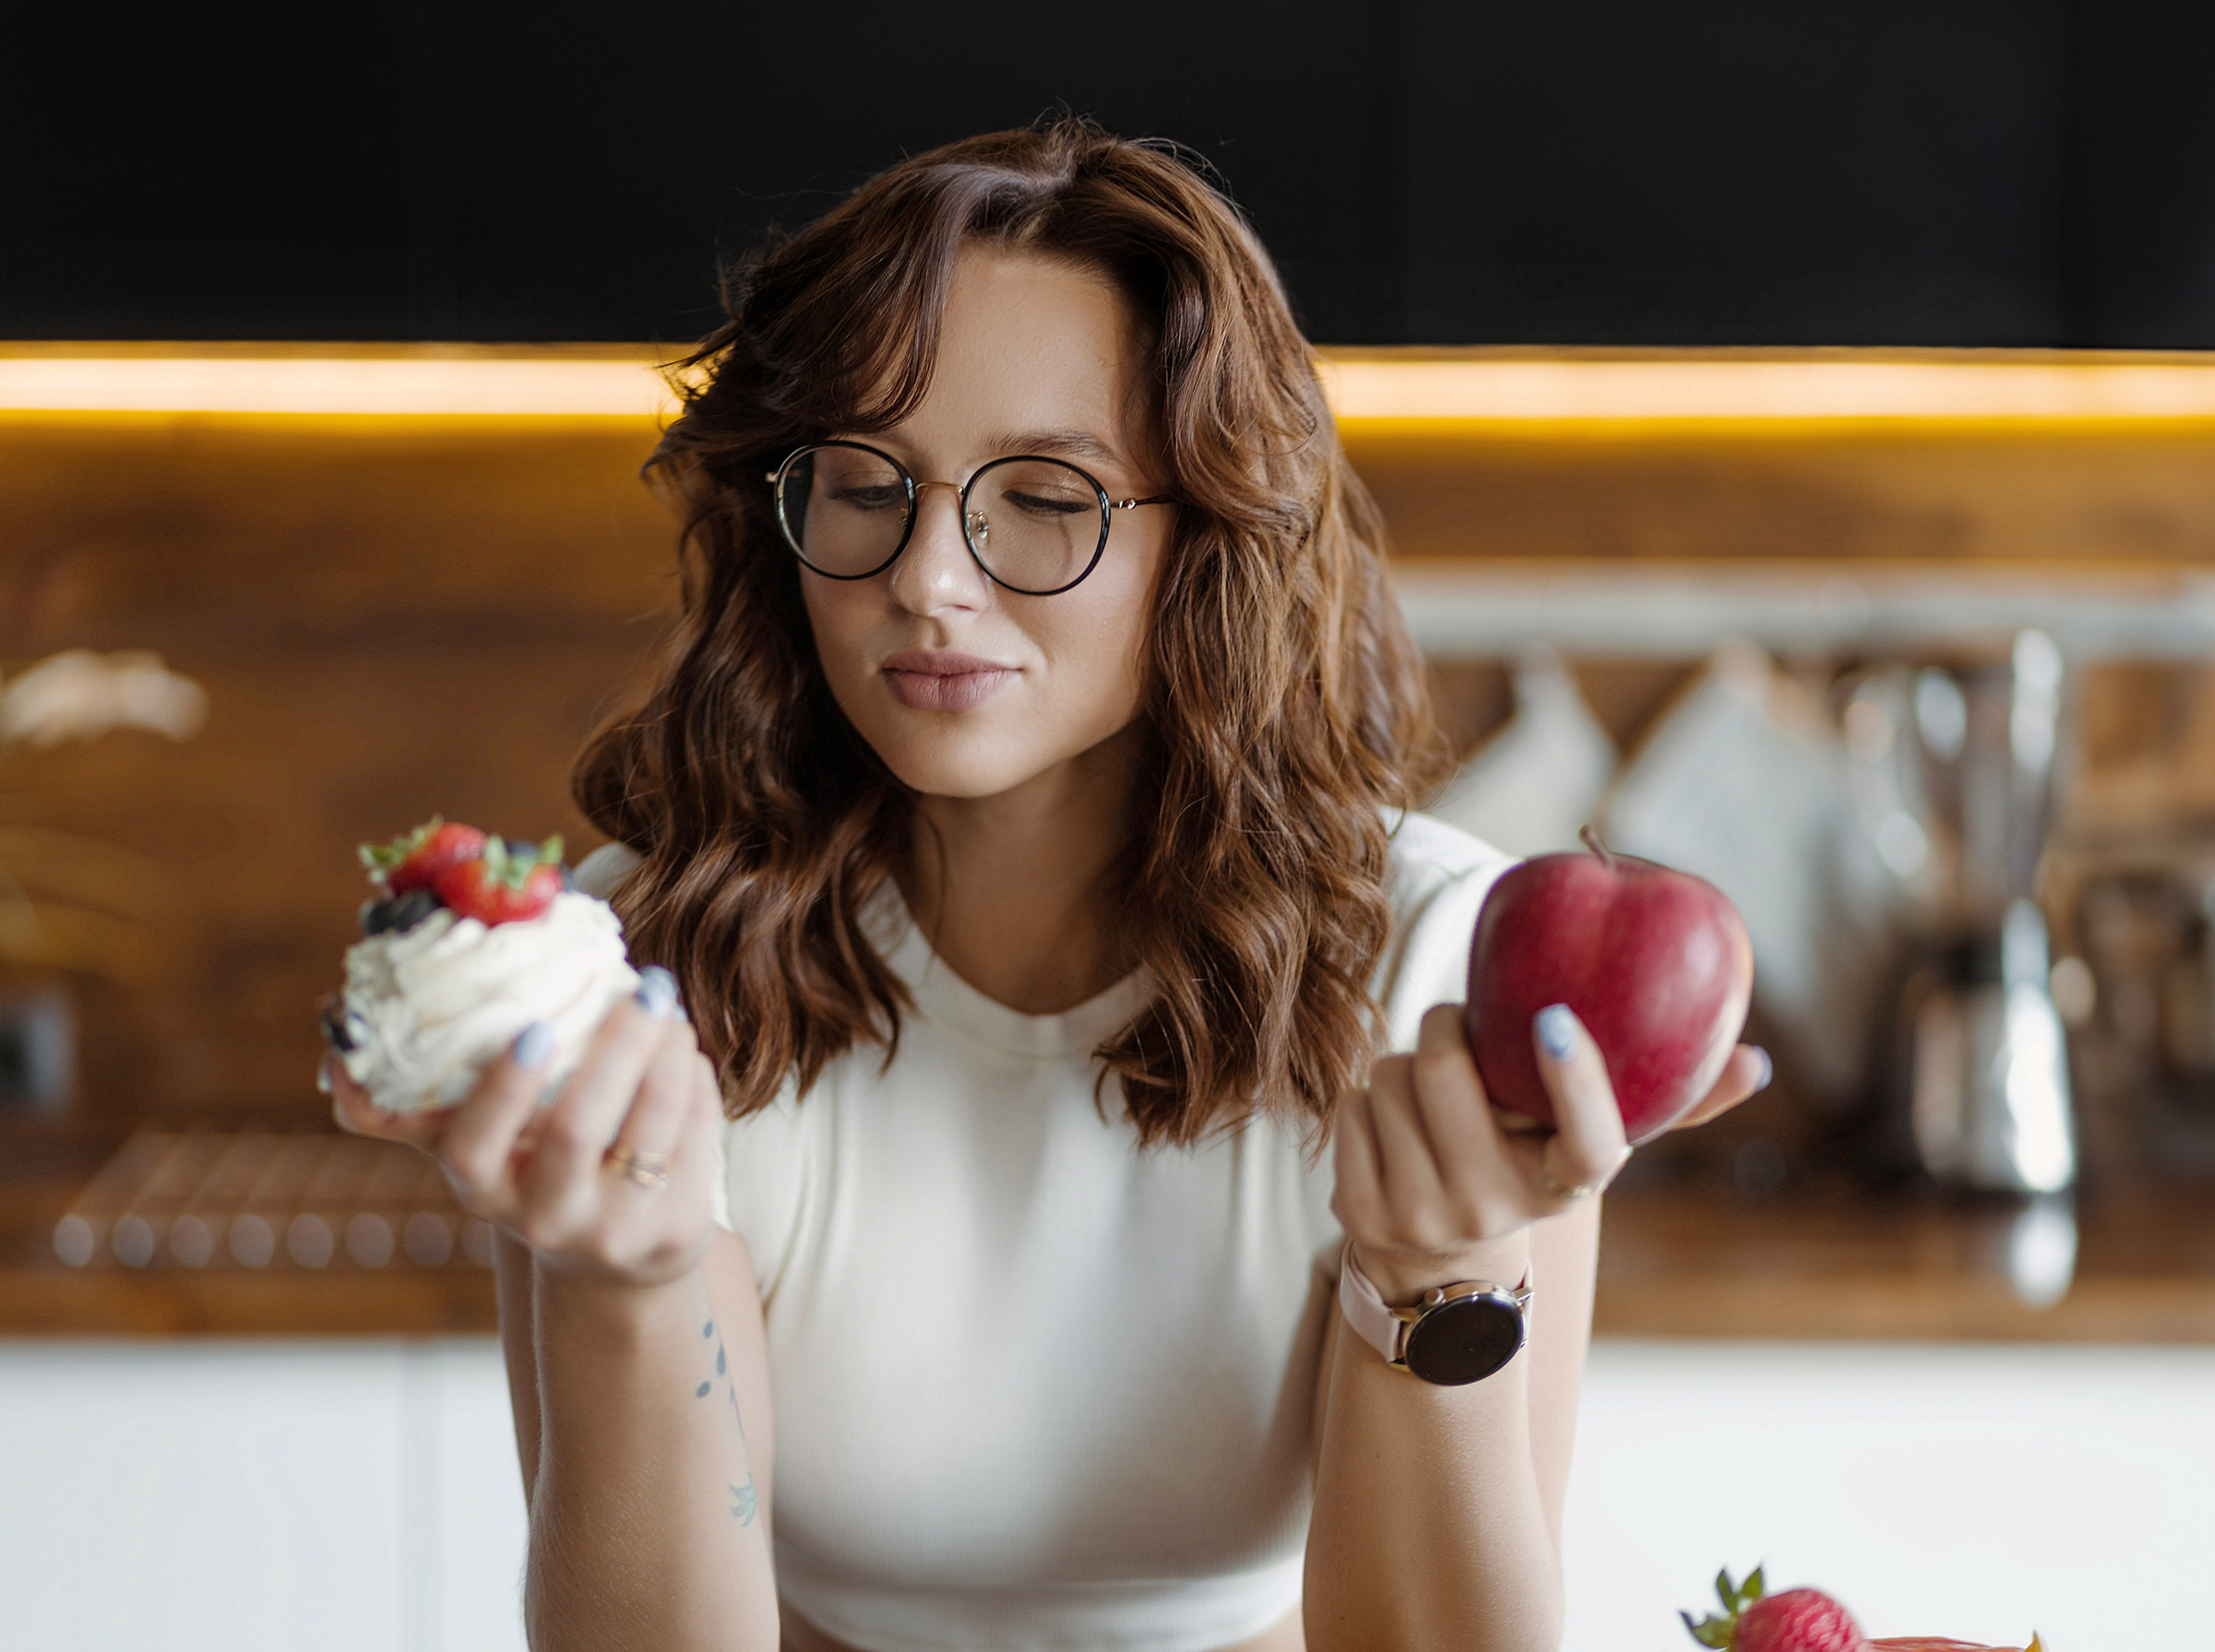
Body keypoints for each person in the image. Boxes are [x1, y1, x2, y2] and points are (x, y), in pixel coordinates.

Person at [328, 119, 1767, 1652]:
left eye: (1046, 496)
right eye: (865, 482)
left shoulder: (1437, 963)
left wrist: (1445, 1277)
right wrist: (631, 1275)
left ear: (1204, 542)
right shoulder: (629, 974)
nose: (929, 577)